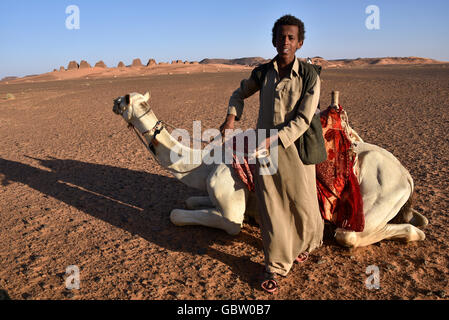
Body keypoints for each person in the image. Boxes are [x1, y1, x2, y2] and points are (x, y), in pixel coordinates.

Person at [219, 14, 324, 293]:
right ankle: (276, 265)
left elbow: (303, 118)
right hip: (264, 151)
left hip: (295, 148)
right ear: (273, 40)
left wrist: (276, 139)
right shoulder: (263, 73)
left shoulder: (309, 76)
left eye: (291, 37)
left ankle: (305, 244)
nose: (285, 42)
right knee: (271, 207)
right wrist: (232, 117)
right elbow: (238, 94)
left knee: (304, 205)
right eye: (280, 37)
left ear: (300, 43)